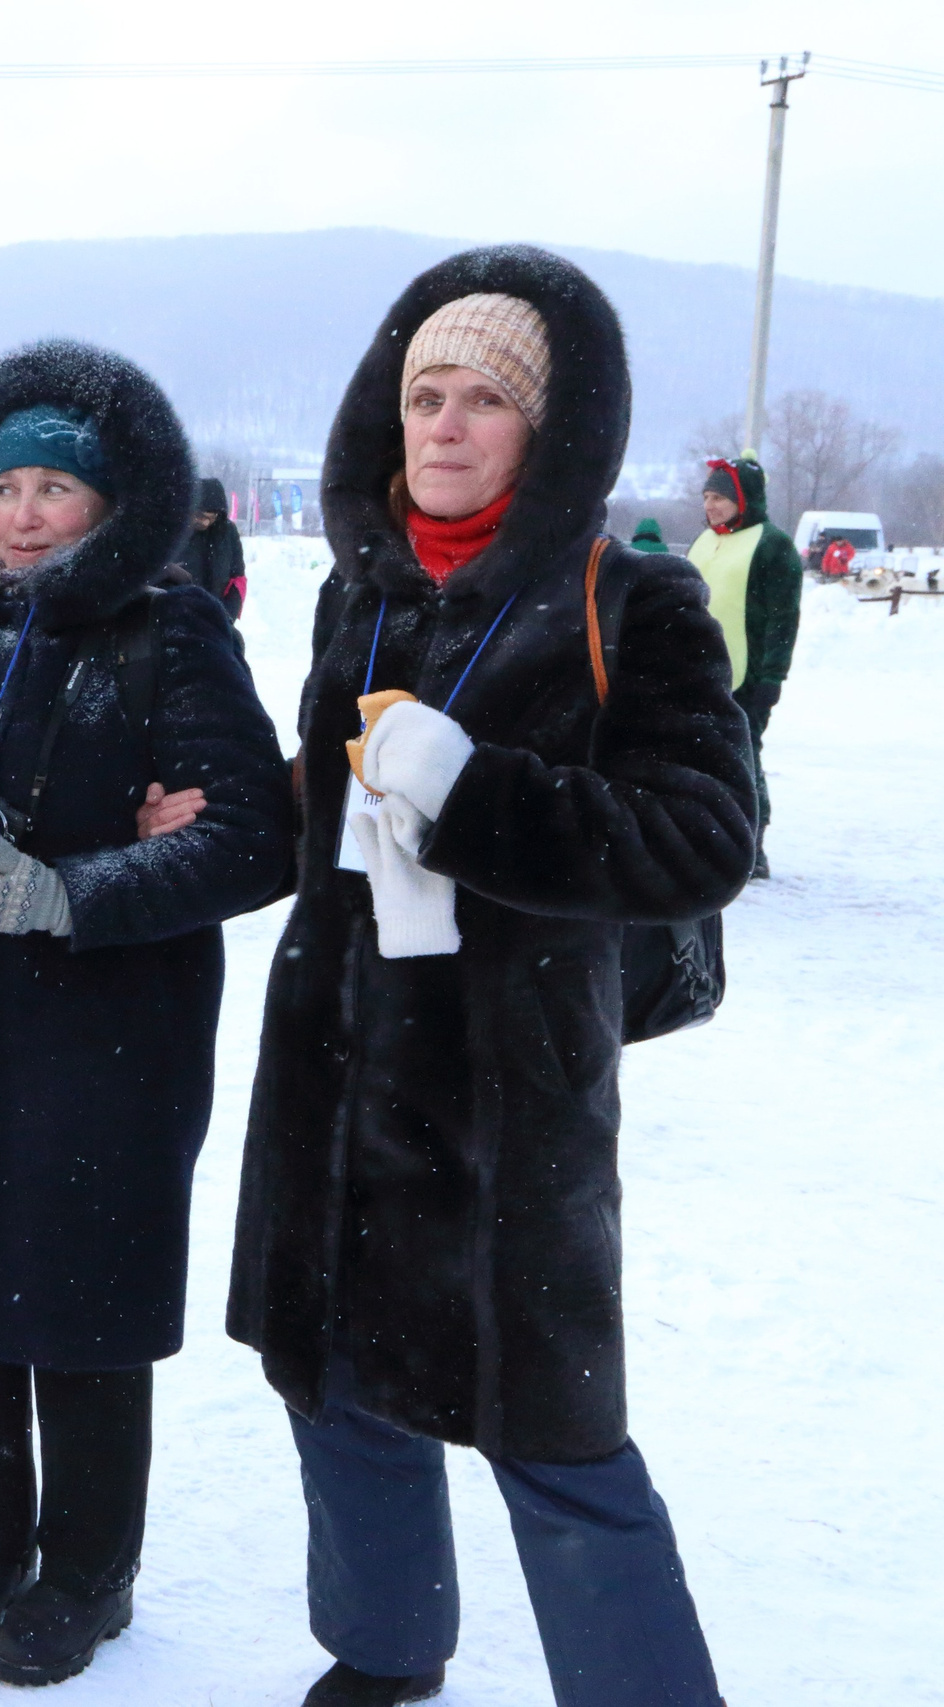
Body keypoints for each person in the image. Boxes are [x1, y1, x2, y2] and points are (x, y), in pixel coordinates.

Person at [227, 250, 755, 1707]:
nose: (447, 428)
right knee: (335, 1384)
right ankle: (385, 1644)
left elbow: (705, 837)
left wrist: (483, 795)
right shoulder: (362, 590)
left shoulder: (629, 600)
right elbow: (330, 810)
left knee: (559, 1438)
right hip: (330, 1066)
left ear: (551, 425)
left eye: (486, 403)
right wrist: (216, 820)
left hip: (508, 1101)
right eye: (425, 397)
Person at [0, 344, 292, 1685]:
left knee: (76, 1312)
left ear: (112, 502)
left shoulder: (170, 627)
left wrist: (67, 895)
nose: (24, 511)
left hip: (103, 1042)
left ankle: (89, 1568)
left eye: (54, 488)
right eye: (6, 484)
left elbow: (250, 837)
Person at [688, 456, 804, 877]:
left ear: (743, 499)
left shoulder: (771, 544)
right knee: (693, 755)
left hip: (744, 675)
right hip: (694, 672)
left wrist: (772, 676)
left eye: (719, 497)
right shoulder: (705, 541)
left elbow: (783, 617)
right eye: (706, 497)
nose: (710, 505)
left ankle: (752, 844)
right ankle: (703, 835)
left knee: (741, 758)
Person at [169, 474, 249, 616]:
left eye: (212, 518)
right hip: (177, 614)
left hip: (218, 613)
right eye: (200, 516)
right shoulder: (174, 529)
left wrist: (227, 614)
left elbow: (237, 578)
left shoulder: (228, 532)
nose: (205, 522)